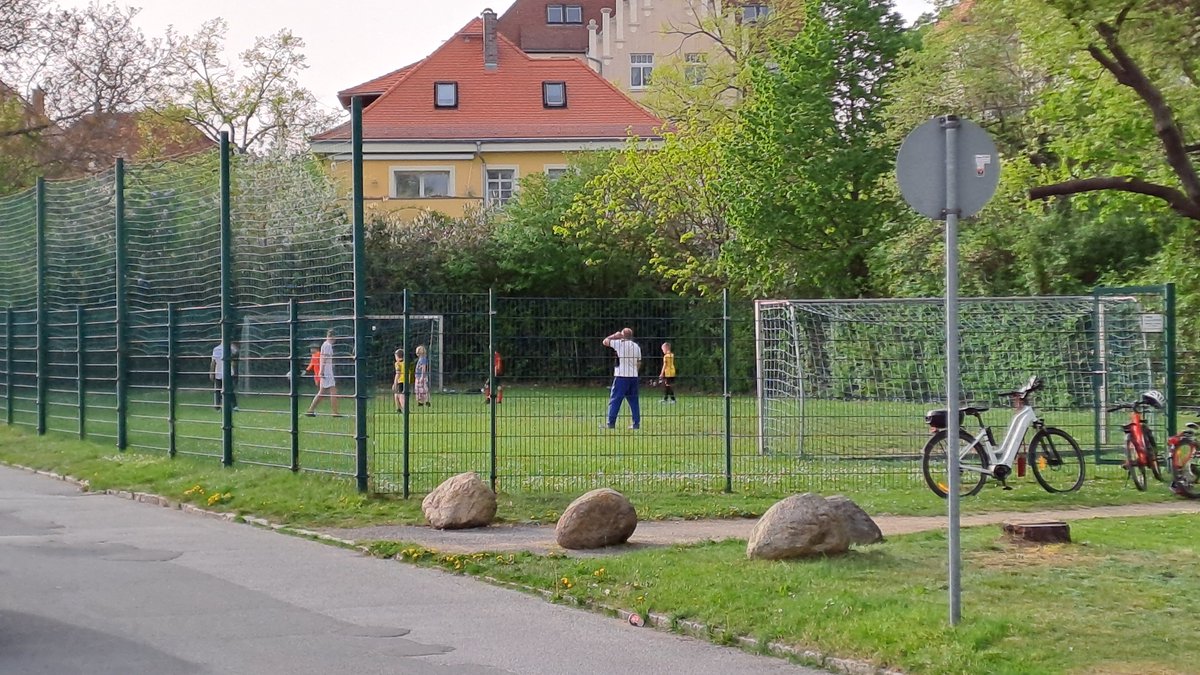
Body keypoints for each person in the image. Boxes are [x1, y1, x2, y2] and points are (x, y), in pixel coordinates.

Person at [603, 327, 641, 429]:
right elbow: (639, 362)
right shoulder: (636, 346)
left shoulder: (619, 343)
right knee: (634, 401)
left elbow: (605, 341)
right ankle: (636, 423)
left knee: (615, 400)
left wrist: (615, 335)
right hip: (633, 376)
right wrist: (635, 372)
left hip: (621, 376)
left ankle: (611, 423)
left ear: (622, 335)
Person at [305, 329, 340, 417]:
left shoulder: (325, 345)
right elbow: (324, 358)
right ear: (332, 337)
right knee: (333, 391)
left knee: (322, 392)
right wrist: (322, 371)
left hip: (326, 372)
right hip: (326, 372)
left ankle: (310, 410)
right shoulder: (327, 345)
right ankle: (335, 412)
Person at [210, 342, 239, 411]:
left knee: (219, 390)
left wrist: (211, 373)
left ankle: (219, 406)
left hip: (221, 373)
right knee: (228, 389)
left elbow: (213, 362)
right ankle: (233, 406)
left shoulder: (217, 349)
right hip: (225, 373)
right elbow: (236, 352)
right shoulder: (230, 348)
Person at [392, 348, 406, 413]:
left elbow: (398, 374)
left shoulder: (397, 363)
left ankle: (404, 409)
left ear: (397, 356)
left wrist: (395, 383)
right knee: (396, 394)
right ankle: (398, 409)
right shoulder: (405, 363)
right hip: (406, 380)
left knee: (400, 395)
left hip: (400, 381)